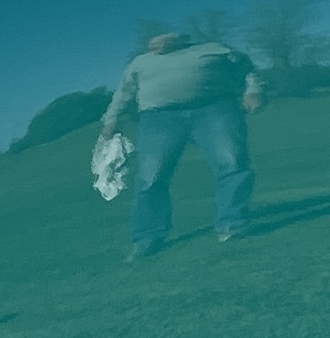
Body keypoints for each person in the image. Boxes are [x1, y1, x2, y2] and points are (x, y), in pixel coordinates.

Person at [101, 29, 261, 258]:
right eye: (153, 41)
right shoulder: (142, 62)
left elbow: (246, 68)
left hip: (214, 109)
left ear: (180, 38)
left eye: (163, 38)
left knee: (232, 164)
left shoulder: (213, 48)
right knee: (151, 177)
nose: (157, 44)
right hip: (159, 118)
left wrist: (253, 90)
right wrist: (111, 119)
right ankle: (148, 236)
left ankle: (233, 223)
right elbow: (124, 92)